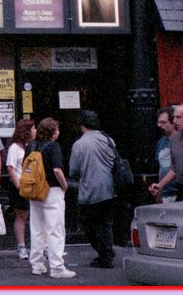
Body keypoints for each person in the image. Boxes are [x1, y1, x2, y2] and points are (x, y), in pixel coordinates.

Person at [27, 117, 75, 279]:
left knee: (37, 228)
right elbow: (57, 170)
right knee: (55, 229)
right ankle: (57, 267)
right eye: (57, 129)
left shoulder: (31, 146)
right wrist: (65, 185)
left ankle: (37, 264)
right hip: (52, 191)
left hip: (34, 191)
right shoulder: (53, 147)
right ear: (53, 132)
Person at [68, 110, 116, 269]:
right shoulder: (108, 140)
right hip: (109, 188)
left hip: (89, 190)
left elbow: (73, 170)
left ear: (82, 125)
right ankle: (106, 253)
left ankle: (105, 253)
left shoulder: (79, 144)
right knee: (105, 224)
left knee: (87, 224)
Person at [5, 118, 35, 260]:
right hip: (20, 185)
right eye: (33, 128)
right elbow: (10, 168)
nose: (35, 131)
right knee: (21, 216)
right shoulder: (14, 148)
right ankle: (21, 246)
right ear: (27, 131)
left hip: (32, 185)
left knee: (35, 216)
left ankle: (40, 246)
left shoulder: (31, 146)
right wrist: (19, 186)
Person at [153, 108, 179, 203]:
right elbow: (161, 167)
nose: (160, 125)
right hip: (164, 193)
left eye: (164, 122)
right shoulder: (161, 142)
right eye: (159, 122)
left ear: (173, 123)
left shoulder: (180, 141)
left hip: (178, 192)